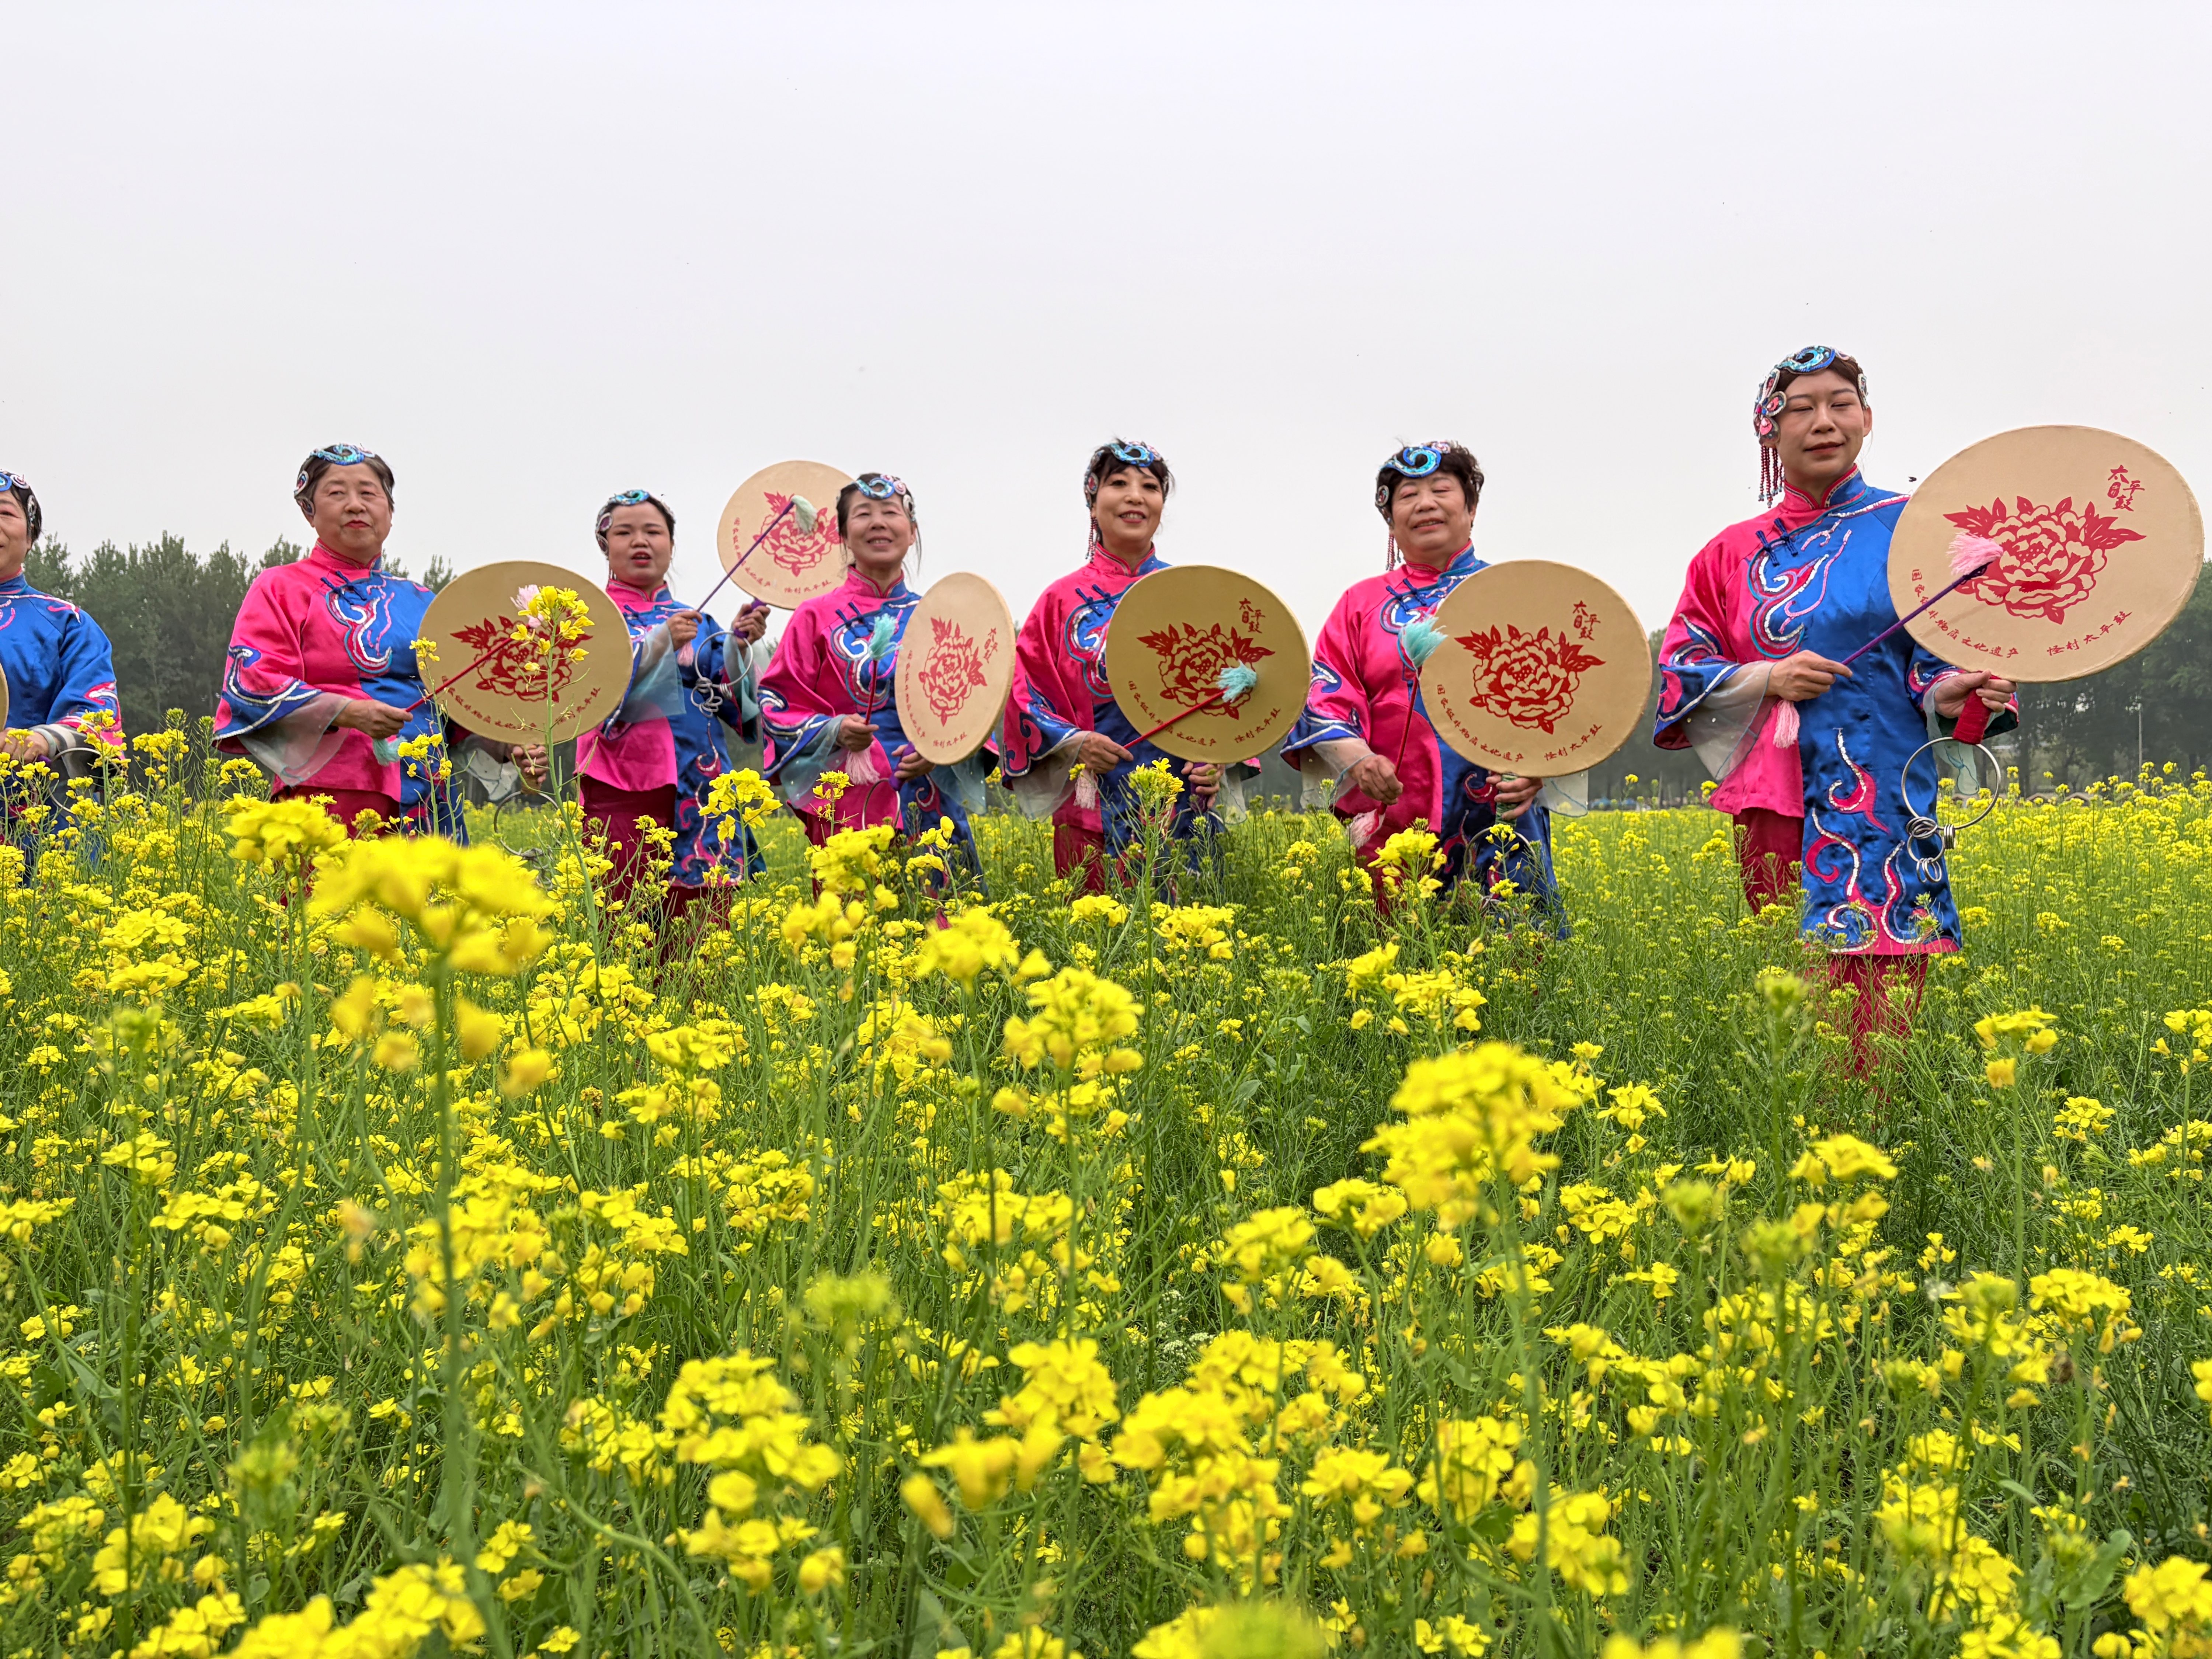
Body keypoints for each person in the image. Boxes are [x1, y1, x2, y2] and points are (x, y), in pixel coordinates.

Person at [1653, 345, 2017, 1068]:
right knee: (1797, 995)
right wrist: (1765, 677)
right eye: (1801, 409)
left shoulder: (1913, 531)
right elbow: (1681, 668)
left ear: (1867, 419)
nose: (1823, 422)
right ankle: (1808, 1127)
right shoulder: (1728, 554)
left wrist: (1950, 690)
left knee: (1885, 996)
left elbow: (1938, 656)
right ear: (1769, 431)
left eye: (1840, 404)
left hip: (1884, 792)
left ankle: (1871, 1126)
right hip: (1778, 800)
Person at [1284, 441, 1566, 909]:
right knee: (1400, 946)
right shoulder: (1360, 604)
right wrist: (1359, 761)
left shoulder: (1516, 593)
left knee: (1512, 945)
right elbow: (1323, 700)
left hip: (1502, 810)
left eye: (1441, 489)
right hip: (1397, 811)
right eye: (1409, 495)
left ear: (1471, 508)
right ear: (1391, 520)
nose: (1426, 504)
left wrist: (1542, 769)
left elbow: (1572, 701)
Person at [215, 444, 521, 835]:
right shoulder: (281, 587)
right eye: (337, 493)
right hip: (331, 793)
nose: (355, 505)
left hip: (429, 794)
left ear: (390, 513)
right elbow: (253, 680)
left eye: (368, 493)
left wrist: (506, 745)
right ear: (309, 511)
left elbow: (456, 706)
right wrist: (348, 712)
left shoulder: (423, 601)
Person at [999, 440, 1234, 892]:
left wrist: (1217, 758)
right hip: (1091, 802)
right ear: (1093, 502)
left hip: (1180, 802)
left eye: (1150, 487)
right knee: (1094, 929)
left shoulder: (1192, 593)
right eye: (1119, 484)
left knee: (1186, 929)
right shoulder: (1059, 600)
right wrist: (1075, 743)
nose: (1135, 496)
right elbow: (1023, 694)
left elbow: (1230, 695)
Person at [758, 473, 985, 877]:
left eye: (890, 513)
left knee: (943, 913)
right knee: (856, 913)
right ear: (843, 535)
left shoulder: (939, 616)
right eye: (863, 514)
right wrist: (833, 730)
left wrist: (942, 751)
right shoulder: (813, 617)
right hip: (849, 801)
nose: (878, 523)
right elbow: (777, 703)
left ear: (912, 532)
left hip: (931, 800)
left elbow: (978, 709)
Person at [575, 488, 769, 921]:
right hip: (622, 784)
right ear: (605, 545)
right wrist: (659, 644)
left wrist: (738, 646)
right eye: (624, 533)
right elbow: (585, 698)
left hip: (702, 783)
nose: (640, 542)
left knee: (701, 934)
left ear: (672, 544)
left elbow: (737, 712)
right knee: (623, 922)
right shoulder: (589, 619)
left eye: (653, 532)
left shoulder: (699, 623)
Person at [0, 469, 126, 818]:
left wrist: (43, 739)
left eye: (5, 513)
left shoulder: (67, 623)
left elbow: (97, 712)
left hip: (40, 821)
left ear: (30, 535)